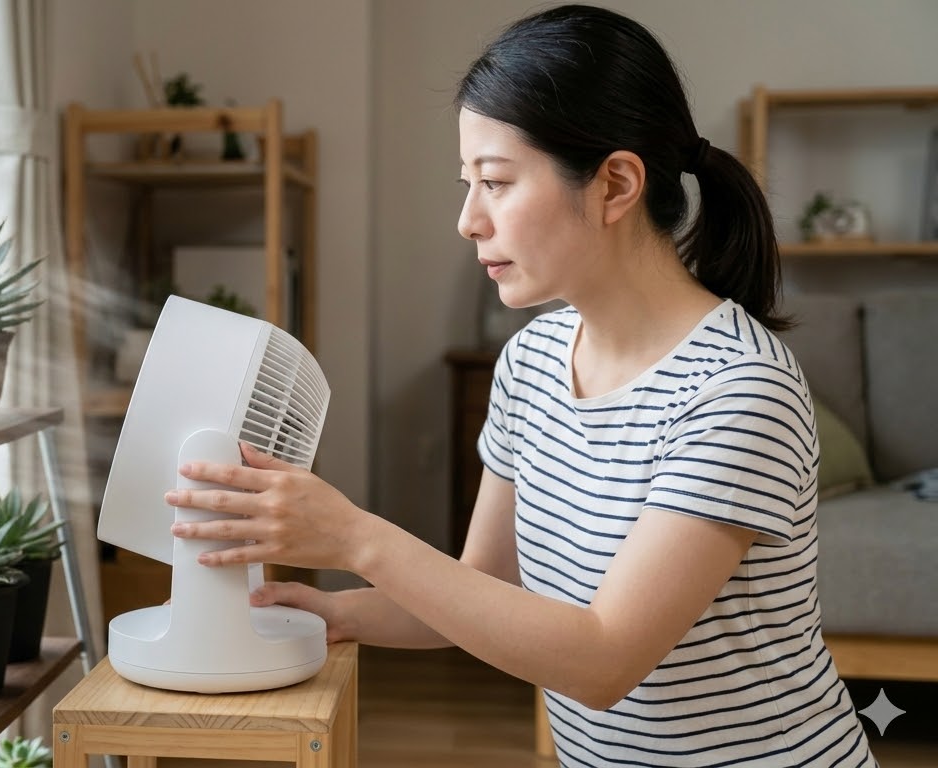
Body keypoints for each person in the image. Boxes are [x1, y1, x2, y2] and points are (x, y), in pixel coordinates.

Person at [163, 5, 877, 766]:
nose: (468, 219)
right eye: (467, 182)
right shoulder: (531, 363)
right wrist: (340, 613)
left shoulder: (739, 390)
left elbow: (604, 661)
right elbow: (481, 591)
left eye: (495, 182)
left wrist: (353, 537)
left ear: (616, 184)